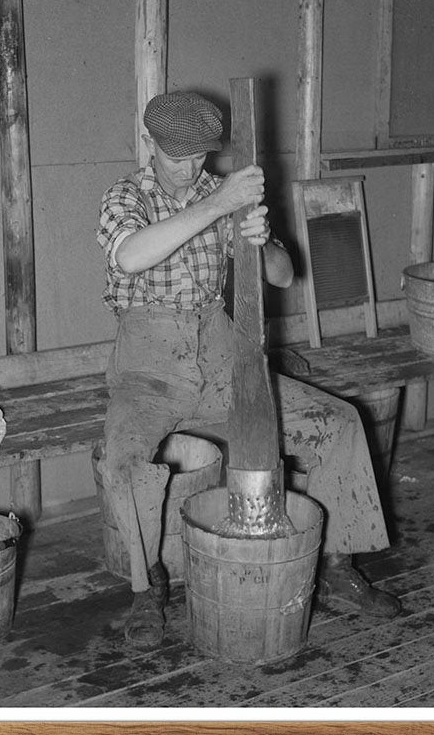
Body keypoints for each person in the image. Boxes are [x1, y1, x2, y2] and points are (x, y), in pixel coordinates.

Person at [96, 90, 398, 650]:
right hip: (148, 366)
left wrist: (263, 242)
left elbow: (284, 275)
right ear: (150, 144)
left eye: (197, 157)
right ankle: (148, 590)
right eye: (174, 156)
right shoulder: (126, 196)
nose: (188, 168)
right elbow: (132, 256)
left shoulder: (222, 192)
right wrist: (218, 206)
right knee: (124, 457)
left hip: (220, 357)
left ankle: (335, 567)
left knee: (339, 421)